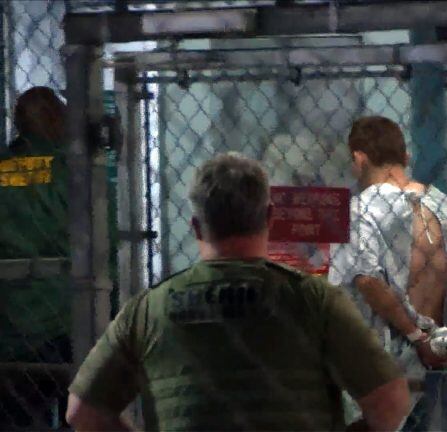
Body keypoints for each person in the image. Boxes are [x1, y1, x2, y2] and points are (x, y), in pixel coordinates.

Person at [66, 153, 410, 431]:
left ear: (197, 227)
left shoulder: (148, 309)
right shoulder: (313, 300)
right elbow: (390, 404)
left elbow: (83, 412)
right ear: (270, 217)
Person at [329, 116, 447, 431]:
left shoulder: (361, 211)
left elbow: (367, 279)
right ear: (406, 158)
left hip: (385, 366)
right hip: (441, 358)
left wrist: (415, 337)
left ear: (359, 159)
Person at [0, 86, 70, 429]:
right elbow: (106, 243)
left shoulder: (2, 169)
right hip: (67, 323)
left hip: (10, 328)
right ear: (56, 120)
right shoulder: (76, 172)